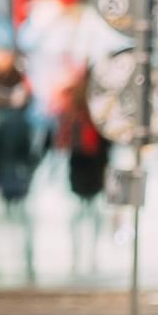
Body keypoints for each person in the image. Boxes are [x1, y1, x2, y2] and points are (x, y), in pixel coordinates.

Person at [0, 64, 47, 281]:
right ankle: (25, 261)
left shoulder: (3, 122)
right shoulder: (29, 122)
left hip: (5, 177)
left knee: (6, 222)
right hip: (20, 178)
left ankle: (4, 262)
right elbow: (35, 152)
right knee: (22, 221)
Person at [62, 97, 112, 267]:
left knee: (81, 215)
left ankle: (80, 252)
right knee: (92, 215)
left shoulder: (76, 119)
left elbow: (69, 148)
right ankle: (89, 253)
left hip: (81, 173)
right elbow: (106, 149)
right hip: (92, 173)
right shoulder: (98, 122)